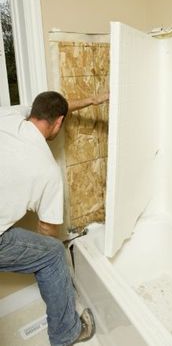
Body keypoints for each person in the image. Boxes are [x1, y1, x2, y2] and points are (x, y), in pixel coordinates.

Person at [0, 91, 109, 346]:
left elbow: (56, 107)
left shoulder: (8, 115)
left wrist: (91, 100)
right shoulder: (48, 170)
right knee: (52, 254)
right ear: (59, 122)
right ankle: (66, 333)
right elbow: (46, 231)